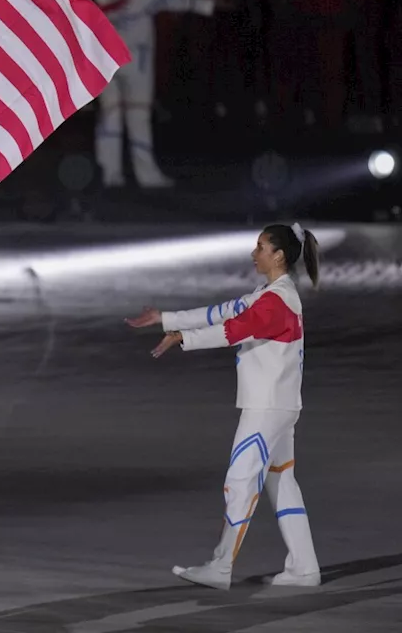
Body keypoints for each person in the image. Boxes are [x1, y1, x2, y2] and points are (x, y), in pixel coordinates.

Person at [126, 223, 322, 590]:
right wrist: (166, 319)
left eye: (261, 246)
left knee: (240, 481)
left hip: (267, 409)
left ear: (278, 255)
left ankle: (220, 566)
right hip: (278, 406)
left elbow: (232, 331)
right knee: (282, 483)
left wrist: (183, 338)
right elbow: (222, 312)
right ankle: (304, 567)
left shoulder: (277, 302)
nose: (254, 253)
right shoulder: (270, 294)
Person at [92, 0, 220, 189]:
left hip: (106, 63)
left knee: (110, 117)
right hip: (136, 63)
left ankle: (111, 174)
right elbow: (176, 1)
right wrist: (212, 5)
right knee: (138, 117)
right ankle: (147, 175)